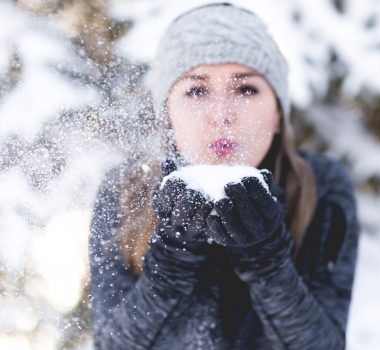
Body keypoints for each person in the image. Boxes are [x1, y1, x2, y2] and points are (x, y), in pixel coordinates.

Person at [88, 3, 360, 349]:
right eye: (197, 90)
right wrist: (173, 256)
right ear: (167, 113)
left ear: (277, 112)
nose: (221, 115)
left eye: (246, 89)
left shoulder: (320, 188)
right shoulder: (126, 190)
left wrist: (267, 259)